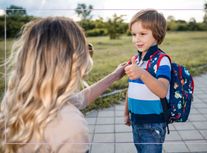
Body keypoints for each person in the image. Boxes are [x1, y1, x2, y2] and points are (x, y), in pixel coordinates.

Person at [0, 17, 127, 153]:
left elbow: (78, 100)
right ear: (74, 60)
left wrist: (115, 75)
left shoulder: (13, 99)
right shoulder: (70, 124)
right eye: (86, 49)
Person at [124, 9, 171, 153]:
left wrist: (142, 73)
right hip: (136, 120)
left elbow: (162, 90)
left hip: (153, 123)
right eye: (134, 34)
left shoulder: (161, 60)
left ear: (157, 35)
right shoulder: (136, 59)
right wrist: (127, 111)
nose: (137, 39)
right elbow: (131, 87)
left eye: (142, 34)